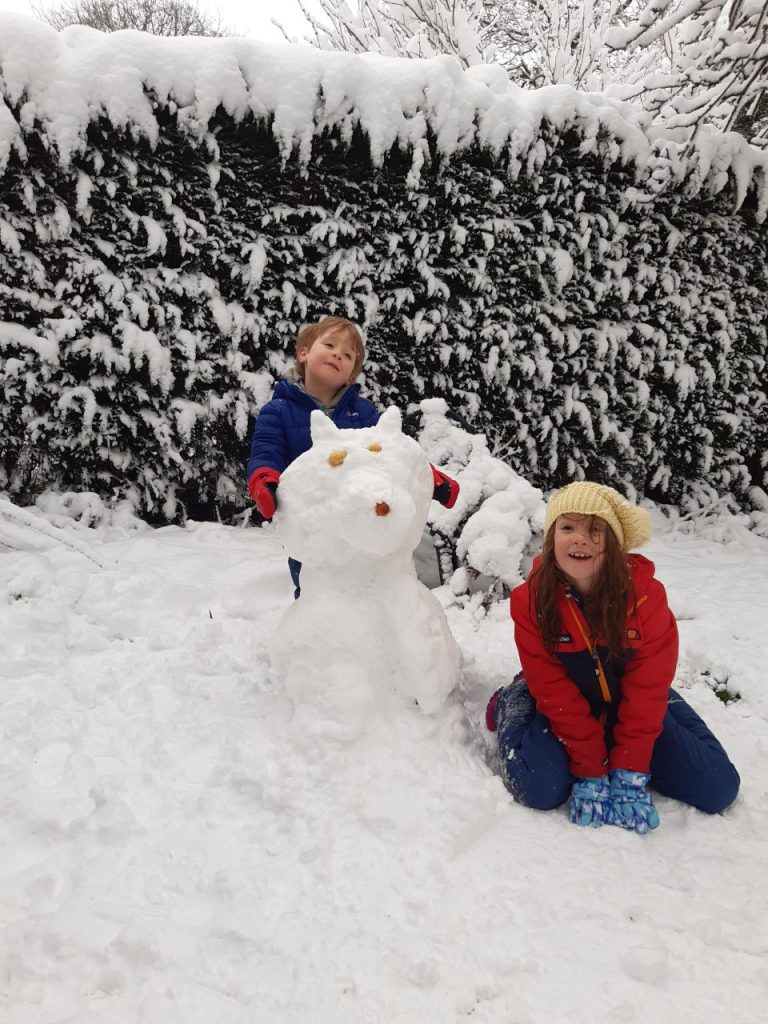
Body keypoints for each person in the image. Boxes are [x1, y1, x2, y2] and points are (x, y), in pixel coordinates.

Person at [485, 482, 740, 834]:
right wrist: (590, 766)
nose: (580, 539)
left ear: (615, 543)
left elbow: (647, 690)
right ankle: (514, 698)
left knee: (718, 788)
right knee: (537, 788)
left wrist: (630, 769)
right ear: (551, 538)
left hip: (632, 701)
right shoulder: (530, 601)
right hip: (563, 704)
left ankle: (669, 706)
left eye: (595, 530)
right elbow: (554, 690)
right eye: (567, 527)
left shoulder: (646, 598)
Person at [246, 316, 459, 596]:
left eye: (347, 355)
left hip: (363, 518)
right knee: (317, 595)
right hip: (314, 525)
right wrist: (265, 482)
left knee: (372, 593)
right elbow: (266, 453)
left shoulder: (363, 412)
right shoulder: (277, 412)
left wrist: (429, 477)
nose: (337, 354)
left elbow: (392, 454)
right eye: (329, 345)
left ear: (350, 376)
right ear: (304, 353)